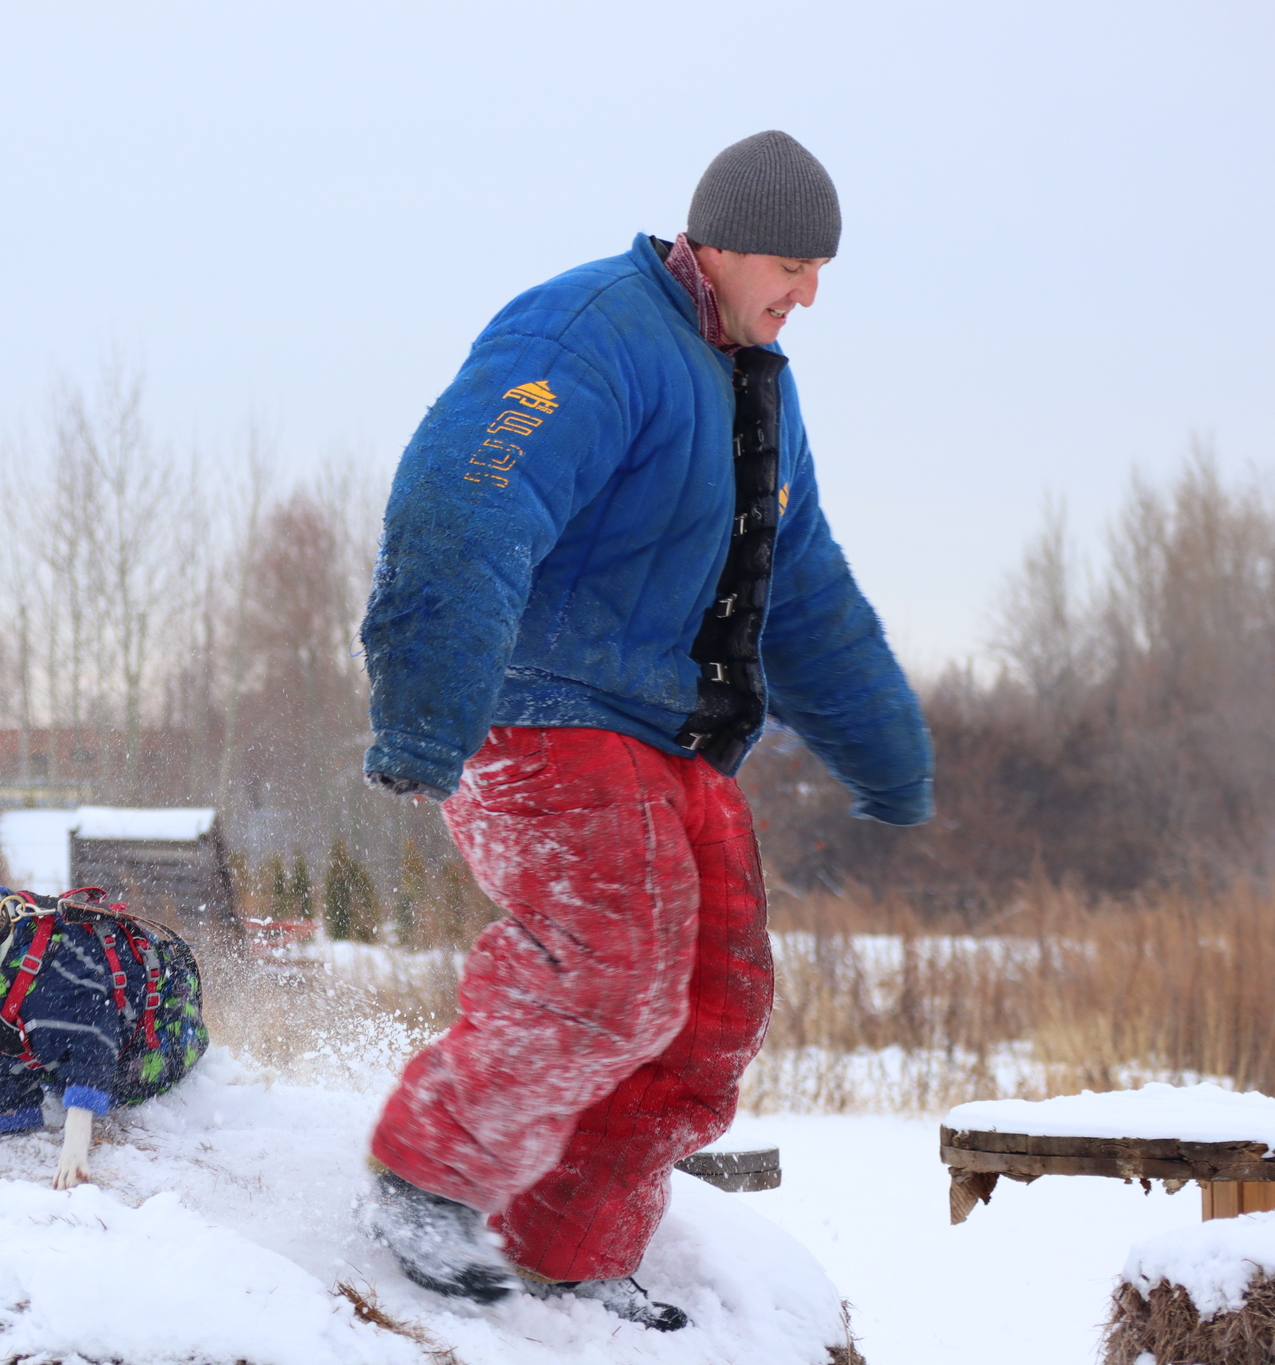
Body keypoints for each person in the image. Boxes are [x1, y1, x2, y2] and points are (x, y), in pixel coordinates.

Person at [354, 131, 934, 1330]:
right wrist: (426, 706)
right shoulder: (588, 332)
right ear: (714, 242)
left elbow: (802, 586)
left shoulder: (751, 382)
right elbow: (465, 497)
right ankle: (423, 1180)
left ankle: (570, 1237)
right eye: (789, 262)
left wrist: (885, 748)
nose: (808, 291)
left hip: (674, 741)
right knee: (612, 959)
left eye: (822, 269)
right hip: (540, 718)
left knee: (717, 996)